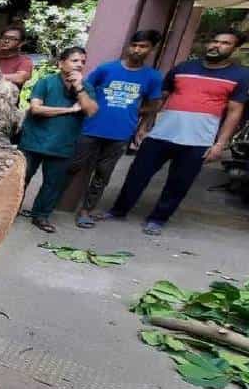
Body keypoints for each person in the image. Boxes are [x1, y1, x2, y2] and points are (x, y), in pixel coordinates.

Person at [104, 30, 249, 235]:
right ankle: (119, 210)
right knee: (136, 175)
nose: (216, 46)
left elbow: (235, 111)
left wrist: (219, 144)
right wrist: (145, 125)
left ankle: (158, 219)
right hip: (160, 134)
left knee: (179, 183)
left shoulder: (241, 75)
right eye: (214, 41)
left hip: (198, 140)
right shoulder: (183, 68)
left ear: (234, 49)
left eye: (225, 43)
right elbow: (159, 98)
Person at [67, 30, 164, 228]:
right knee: (72, 166)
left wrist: (139, 116)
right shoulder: (106, 69)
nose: (137, 50)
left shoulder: (152, 77)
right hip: (90, 128)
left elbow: (155, 105)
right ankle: (49, 204)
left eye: (143, 46)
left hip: (120, 134)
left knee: (103, 174)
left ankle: (86, 210)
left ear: (151, 50)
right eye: (134, 45)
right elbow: (82, 88)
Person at [18, 47, 98, 233]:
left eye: (82, 62)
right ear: (61, 63)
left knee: (53, 184)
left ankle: (41, 216)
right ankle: (10, 211)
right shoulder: (46, 82)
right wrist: (70, 110)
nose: (79, 64)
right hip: (33, 142)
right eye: (74, 60)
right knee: (21, 179)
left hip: (63, 145)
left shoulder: (86, 88)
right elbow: (36, 109)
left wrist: (79, 88)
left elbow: (91, 110)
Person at [0, 24, 33, 89]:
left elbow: (20, 78)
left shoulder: (24, 61)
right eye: (4, 37)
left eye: (12, 39)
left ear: (21, 43)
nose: (6, 41)